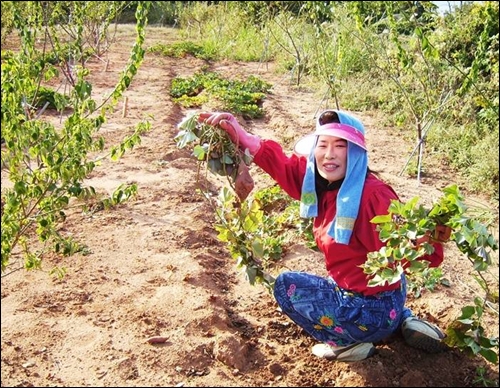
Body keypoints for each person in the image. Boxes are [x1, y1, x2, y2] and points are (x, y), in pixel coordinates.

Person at [198, 109, 450, 362]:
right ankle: (403, 320)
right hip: (388, 299)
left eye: (341, 146)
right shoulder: (322, 185)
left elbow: (409, 253)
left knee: (287, 287)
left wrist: (427, 237)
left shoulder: (373, 196)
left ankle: (348, 344)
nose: (329, 154)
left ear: (356, 153)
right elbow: (285, 167)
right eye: (323, 145)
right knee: (359, 283)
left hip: (369, 308)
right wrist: (240, 134)